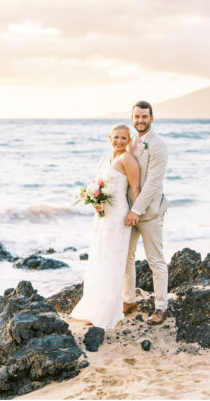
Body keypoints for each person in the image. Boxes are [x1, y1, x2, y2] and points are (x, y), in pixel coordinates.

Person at [70, 124, 140, 329]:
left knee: (113, 260)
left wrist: (135, 212)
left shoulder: (127, 159)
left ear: (128, 141)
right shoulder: (105, 159)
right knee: (100, 258)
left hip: (118, 215)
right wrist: (95, 201)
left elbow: (135, 187)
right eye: (116, 137)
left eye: (124, 138)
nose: (119, 141)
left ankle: (107, 310)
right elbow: (99, 185)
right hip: (102, 215)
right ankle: (95, 305)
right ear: (110, 138)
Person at [123, 101, 170, 325]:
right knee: (127, 257)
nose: (140, 120)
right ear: (132, 118)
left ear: (152, 118)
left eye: (144, 116)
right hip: (128, 212)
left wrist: (136, 209)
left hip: (149, 212)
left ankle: (161, 307)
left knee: (155, 260)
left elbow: (152, 183)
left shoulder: (158, 144)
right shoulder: (130, 142)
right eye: (137, 116)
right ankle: (129, 300)